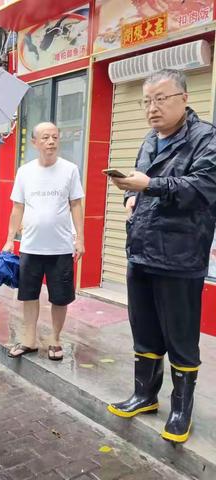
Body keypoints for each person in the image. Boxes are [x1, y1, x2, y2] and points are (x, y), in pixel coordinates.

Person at [107, 69, 216, 444]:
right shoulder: (149, 140)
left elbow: (202, 188)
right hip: (141, 250)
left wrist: (149, 185)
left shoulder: (206, 139)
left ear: (184, 99)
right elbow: (139, 181)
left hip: (180, 256)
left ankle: (181, 410)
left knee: (181, 336)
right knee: (145, 329)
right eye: (146, 101)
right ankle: (145, 395)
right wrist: (129, 198)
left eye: (161, 99)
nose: (152, 108)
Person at [3, 122, 85, 361]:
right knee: (29, 294)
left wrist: (80, 238)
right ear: (35, 143)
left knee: (60, 296)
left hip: (60, 247)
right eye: (46, 137)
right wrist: (10, 239)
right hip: (31, 246)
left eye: (55, 137)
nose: (51, 142)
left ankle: (55, 339)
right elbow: (17, 207)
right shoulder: (25, 172)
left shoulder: (70, 170)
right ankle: (29, 339)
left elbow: (76, 204)